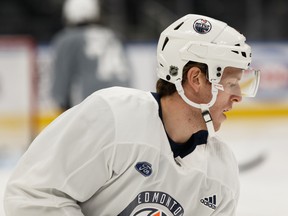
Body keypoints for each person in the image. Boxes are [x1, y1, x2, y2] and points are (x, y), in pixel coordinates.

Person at [4, 14, 260, 215]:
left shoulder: (221, 174)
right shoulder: (112, 118)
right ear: (195, 79)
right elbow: (31, 195)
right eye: (231, 83)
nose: (238, 96)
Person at [50, 0, 131, 111]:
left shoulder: (67, 39)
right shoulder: (112, 35)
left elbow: (61, 89)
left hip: (96, 104)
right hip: (127, 100)